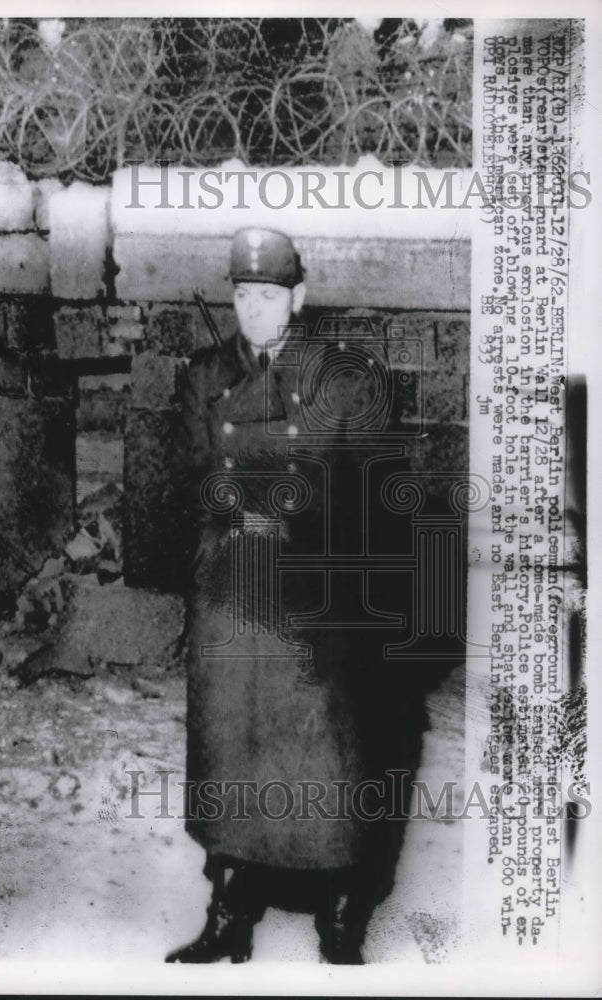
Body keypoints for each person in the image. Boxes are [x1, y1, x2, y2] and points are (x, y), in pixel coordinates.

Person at [167, 227, 458, 964]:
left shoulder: (342, 379)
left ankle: (340, 915)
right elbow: (194, 475)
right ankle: (230, 909)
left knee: (329, 757)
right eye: (242, 295)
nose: (255, 309)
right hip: (230, 586)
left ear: (296, 296)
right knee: (231, 748)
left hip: (313, 590)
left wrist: (287, 508)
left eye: (269, 295)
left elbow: (366, 491)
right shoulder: (203, 374)